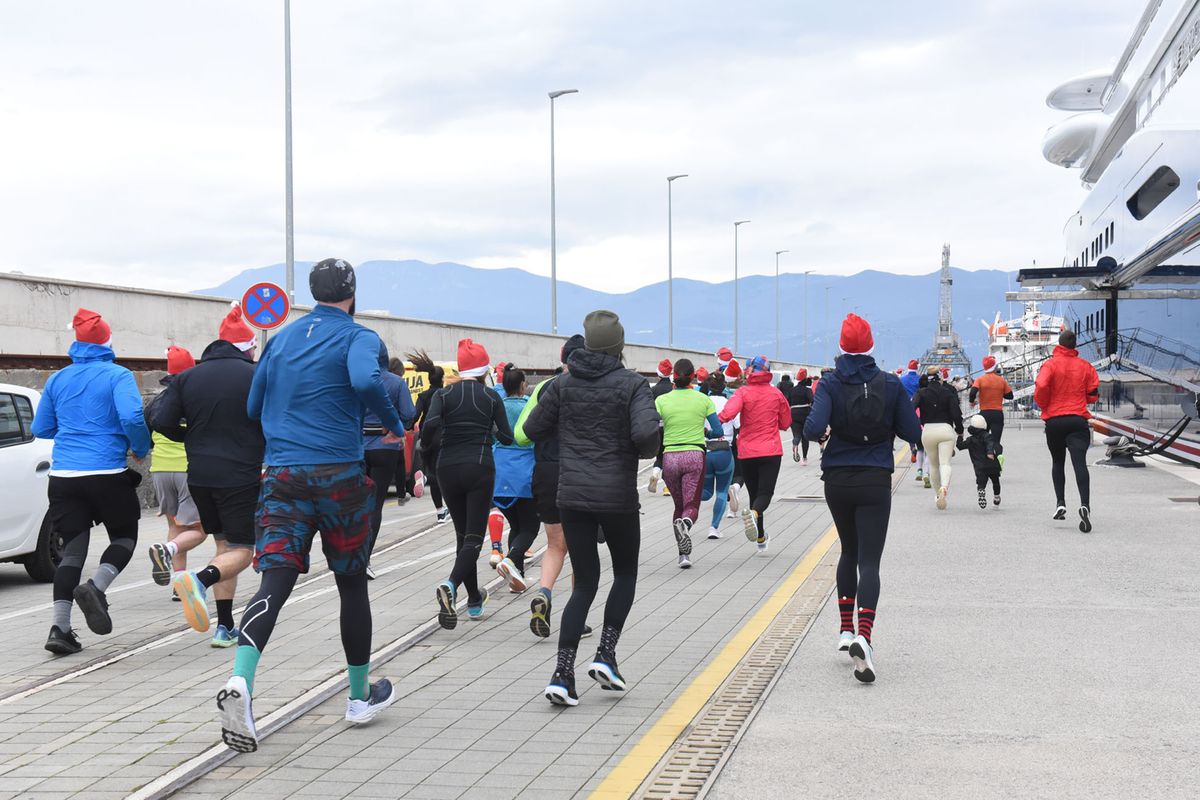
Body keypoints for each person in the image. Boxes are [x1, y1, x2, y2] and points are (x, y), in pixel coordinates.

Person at [216, 258, 403, 753]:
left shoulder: (279, 341)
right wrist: (394, 425)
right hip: (339, 474)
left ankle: (241, 681)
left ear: (312, 293)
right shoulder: (360, 337)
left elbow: (253, 406)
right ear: (352, 294)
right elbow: (366, 381)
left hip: (282, 475)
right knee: (351, 582)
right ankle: (359, 697)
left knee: (274, 580)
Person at [523, 310, 660, 706]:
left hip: (572, 497)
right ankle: (605, 655)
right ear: (619, 346)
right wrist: (645, 446)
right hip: (617, 496)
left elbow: (532, 429)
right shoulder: (633, 384)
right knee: (625, 573)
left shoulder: (562, 384)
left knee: (584, 582)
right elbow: (645, 436)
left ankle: (562, 675)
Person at [804, 313, 921, 683]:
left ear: (841, 346)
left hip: (837, 479)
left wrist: (832, 431)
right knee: (870, 561)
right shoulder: (890, 383)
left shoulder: (829, 382)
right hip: (875, 478)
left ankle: (844, 629)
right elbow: (912, 431)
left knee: (848, 552)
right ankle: (864, 637)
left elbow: (812, 428)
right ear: (871, 346)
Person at [33, 309, 151, 655]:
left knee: (72, 552)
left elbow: (41, 428)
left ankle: (60, 629)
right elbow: (131, 416)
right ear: (108, 343)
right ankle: (96, 588)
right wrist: (139, 447)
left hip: (64, 477)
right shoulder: (118, 375)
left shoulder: (58, 379)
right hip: (106, 473)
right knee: (125, 537)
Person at [149, 304, 266, 646]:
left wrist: (192, 438)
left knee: (224, 545)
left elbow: (160, 420)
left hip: (199, 475)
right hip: (240, 475)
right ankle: (199, 580)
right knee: (242, 550)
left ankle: (225, 626)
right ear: (246, 348)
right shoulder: (255, 374)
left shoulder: (187, 377)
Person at [421, 338, 514, 630]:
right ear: (485, 369)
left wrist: (428, 445)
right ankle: (450, 585)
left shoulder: (444, 394)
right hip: (479, 467)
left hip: (447, 468)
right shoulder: (491, 397)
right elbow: (507, 437)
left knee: (462, 537)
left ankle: (474, 601)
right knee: (474, 538)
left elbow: (429, 425)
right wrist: (492, 428)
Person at [718, 355, 790, 553]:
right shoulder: (776, 394)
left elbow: (727, 414)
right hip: (770, 450)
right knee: (764, 494)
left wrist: (712, 425)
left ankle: (760, 538)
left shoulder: (742, 392)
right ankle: (755, 517)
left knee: (754, 494)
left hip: (747, 451)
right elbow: (785, 423)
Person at [655, 359, 722, 568]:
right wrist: (706, 432)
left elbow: (652, 425)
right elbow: (718, 431)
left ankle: (683, 556)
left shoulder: (662, 400)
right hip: (694, 455)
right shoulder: (703, 399)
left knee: (679, 506)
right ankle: (686, 525)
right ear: (693, 376)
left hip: (670, 457)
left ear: (673, 376)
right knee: (691, 506)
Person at [147, 346, 202, 595]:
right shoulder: (196, 398)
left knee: (176, 527)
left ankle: (179, 585)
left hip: (160, 468)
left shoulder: (158, 400)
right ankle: (166, 550)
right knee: (199, 530)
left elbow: (147, 429)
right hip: (187, 469)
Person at [1034, 329, 1099, 532]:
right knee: (1080, 464)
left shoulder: (1050, 364)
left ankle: (1060, 503)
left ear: (1059, 344)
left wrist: (1044, 404)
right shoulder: (1085, 366)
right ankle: (1085, 505)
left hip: (1054, 421)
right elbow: (1093, 393)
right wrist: (1083, 399)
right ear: (1074, 345)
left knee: (1057, 462)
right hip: (1078, 420)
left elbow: (1041, 385)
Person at [361, 341, 416, 579]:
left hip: (358, 446)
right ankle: (365, 560)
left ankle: (351, 556)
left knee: (356, 503)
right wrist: (398, 427)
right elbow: (409, 413)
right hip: (385, 447)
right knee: (376, 504)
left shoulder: (359, 382)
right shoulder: (396, 382)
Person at [493, 364, 541, 593]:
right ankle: (511, 559)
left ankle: (517, 577)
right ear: (523, 385)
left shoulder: (498, 406)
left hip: (499, 470)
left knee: (516, 525)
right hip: (524, 472)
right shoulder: (529, 407)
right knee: (531, 526)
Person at [912, 366, 963, 510]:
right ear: (940, 378)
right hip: (945, 430)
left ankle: (937, 494)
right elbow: (956, 414)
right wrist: (959, 431)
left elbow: (911, 408)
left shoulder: (921, 393)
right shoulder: (948, 392)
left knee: (933, 465)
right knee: (945, 463)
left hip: (928, 430)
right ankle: (944, 487)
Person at [408, 350, 449, 523]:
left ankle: (440, 511)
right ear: (442, 379)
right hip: (444, 436)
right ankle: (449, 507)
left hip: (426, 436)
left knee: (433, 473)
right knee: (445, 473)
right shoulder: (447, 394)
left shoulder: (423, 396)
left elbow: (414, 416)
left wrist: (409, 426)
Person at [701, 372, 737, 540]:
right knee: (722, 492)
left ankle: (688, 502)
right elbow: (738, 425)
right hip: (724, 450)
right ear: (724, 386)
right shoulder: (730, 403)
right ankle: (714, 528)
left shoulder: (703, 402)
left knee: (706, 492)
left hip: (706, 450)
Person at [957, 415, 1002, 508]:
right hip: (992, 463)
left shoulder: (970, 440)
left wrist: (960, 436)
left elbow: (960, 446)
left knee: (981, 482)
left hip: (979, 466)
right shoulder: (988, 436)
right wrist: (990, 452)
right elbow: (990, 443)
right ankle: (996, 498)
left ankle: (981, 490)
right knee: (995, 481)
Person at [969, 355, 1014, 445]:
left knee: (982, 440)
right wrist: (999, 393)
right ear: (994, 367)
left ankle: (985, 453)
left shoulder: (979, 379)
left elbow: (972, 392)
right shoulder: (1001, 380)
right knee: (996, 441)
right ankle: (997, 453)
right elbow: (1010, 396)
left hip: (984, 413)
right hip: (997, 414)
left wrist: (972, 402)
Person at [646, 358, 674, 495]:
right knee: (670, 457)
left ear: (658, 373)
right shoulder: (674, 389)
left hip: (658, 427)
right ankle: (668, 487)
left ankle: (655, 473)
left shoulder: (653, 390)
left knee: (659, 455)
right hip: (671, 426)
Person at [788, 368, 815, 464]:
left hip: (793, 413)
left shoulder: (792, 390)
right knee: (805, 437)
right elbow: (812, 401)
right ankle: (804, 459)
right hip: (805, 414)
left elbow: (788, 402)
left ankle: (795, 444)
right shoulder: (808, 390)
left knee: (797, 434)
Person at [900, 359, 922, 472]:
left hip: (907, 407)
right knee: (921, 428)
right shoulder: (920, 379)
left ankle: (912, 447)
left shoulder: (902, 380)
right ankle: (922, 448)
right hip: (919, 407)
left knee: (910, 429)